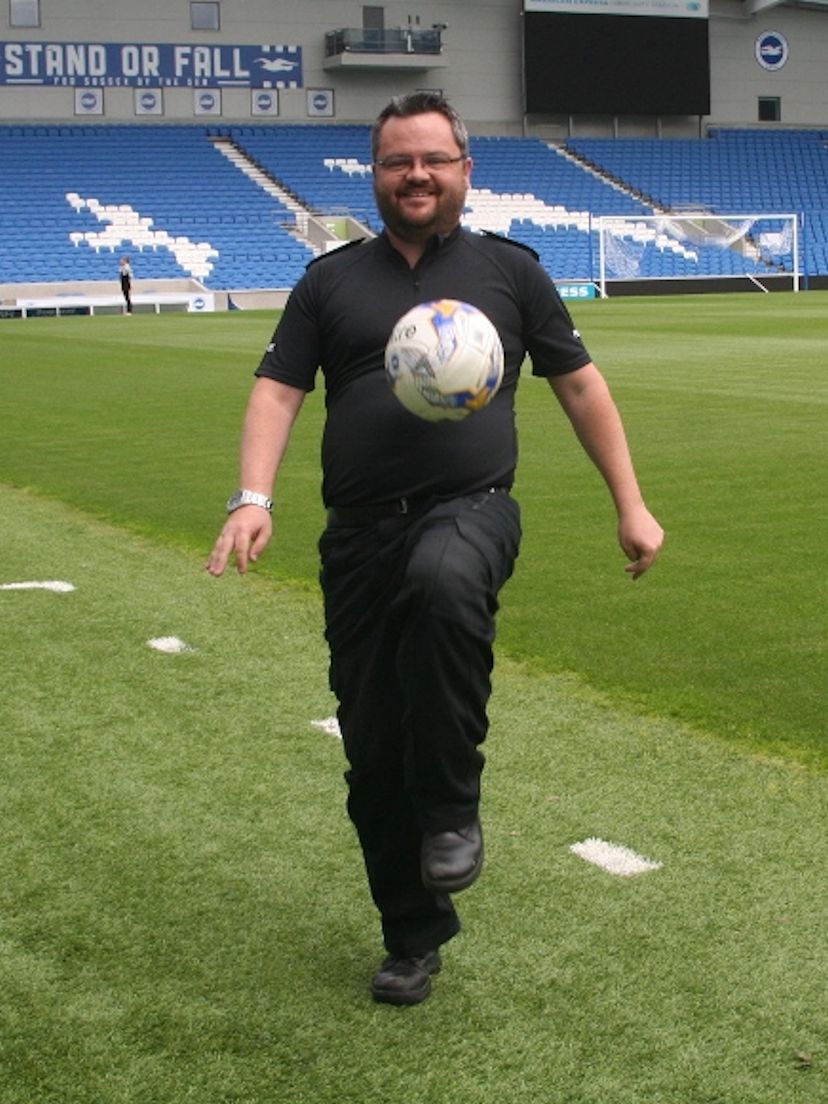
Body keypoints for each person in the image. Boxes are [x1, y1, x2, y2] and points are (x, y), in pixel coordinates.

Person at [207, 92, 664, 1006]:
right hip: (359, 537)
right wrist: (253, 498)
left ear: (464, 170)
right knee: (374, 751)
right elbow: (278, 390)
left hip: (472, 509)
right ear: (376, 175)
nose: (416, 175)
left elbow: (580, 387)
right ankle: (412, 937)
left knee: (445, 577)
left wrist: (632, 504)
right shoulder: (329, 282)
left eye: (433, 160)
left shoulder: (510, 273)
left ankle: (454, 807)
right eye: (397, 162)